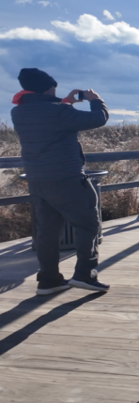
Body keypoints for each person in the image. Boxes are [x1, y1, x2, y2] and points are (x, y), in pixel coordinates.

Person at [10, 68, 110, 294]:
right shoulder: (57, 112)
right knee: (88, 224)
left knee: (47, 231)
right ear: (48, 88)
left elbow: (49, 118)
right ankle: (86, 274)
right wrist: (96, 101)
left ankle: (49, 280)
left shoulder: (19, 113)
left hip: (38, 180)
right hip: (67, 178)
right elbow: (98, 119)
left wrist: (65, 102)